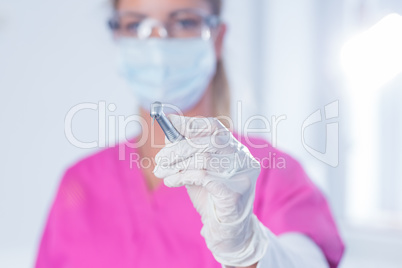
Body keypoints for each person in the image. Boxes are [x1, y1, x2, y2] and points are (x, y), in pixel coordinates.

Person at [35, 0, 344, 267]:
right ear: (118, 37)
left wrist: (246, 245)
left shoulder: (270, 174)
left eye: (183, 21)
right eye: (134, 25)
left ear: (217, 39)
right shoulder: (80, 184)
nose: (157, 42)